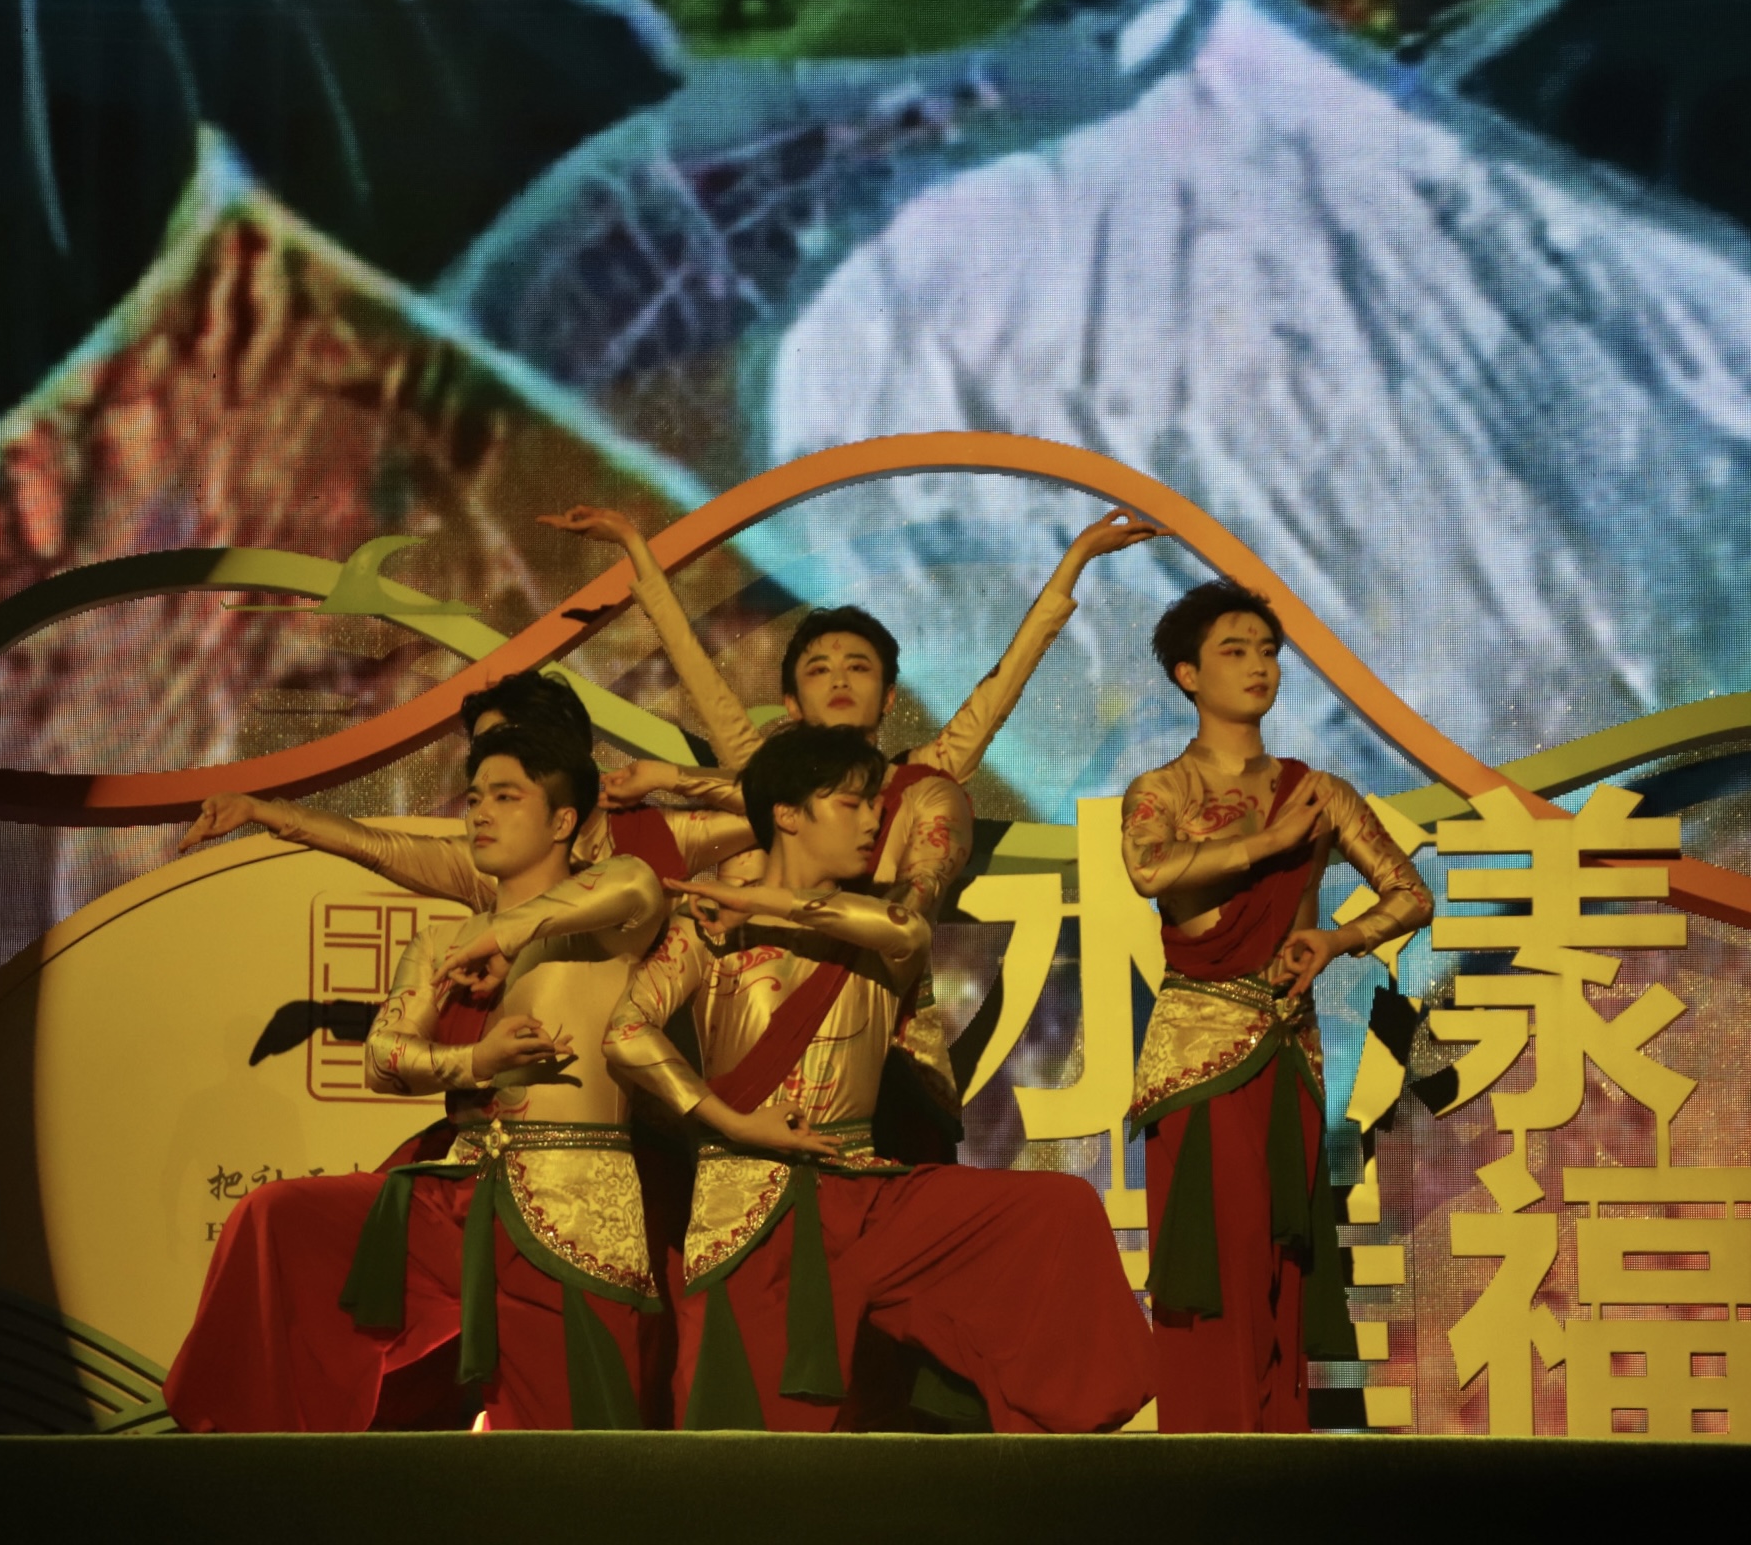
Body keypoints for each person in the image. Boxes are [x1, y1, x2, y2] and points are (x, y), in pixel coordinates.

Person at [545, 504, 1164, 1152]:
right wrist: (635, 549)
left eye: (859, 667)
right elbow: (699, 672)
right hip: (753, 1035)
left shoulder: (918, 785)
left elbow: (1003, 685)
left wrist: (1073, 563)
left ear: (890, 696)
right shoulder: (764, 782)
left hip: (883, 1056)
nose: (839, 677)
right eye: (818, 668)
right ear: (791, 703)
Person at [599, 723, 1154, 1433]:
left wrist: (765, 902)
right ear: (788, 814)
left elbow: (909, 930)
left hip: (867, 1195)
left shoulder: (876, 924)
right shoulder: (703, 926)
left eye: (874, 804)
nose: (872, 821)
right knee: (754, 1434)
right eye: (852, 803)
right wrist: (732, 1122)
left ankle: (1063, 1459)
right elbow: (626, 1033)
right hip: (750, 1202)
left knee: (1057, 1210)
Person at [162, 725, 669, 1431]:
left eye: (505, 797)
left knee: (565, 1432)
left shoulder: (611, 922)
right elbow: (382, 1058)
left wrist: (503, 935)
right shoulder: (443, 940)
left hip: (573, 1203)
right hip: (455, 1197)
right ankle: (260, 1461)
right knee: (274, 1216)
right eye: (474, 797)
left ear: (563, 821)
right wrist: (476, 1061)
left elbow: (637, 880)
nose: (480, 812)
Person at [1118, 581, 1433, 1433]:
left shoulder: (1319, 791)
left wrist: (1337, 939)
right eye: (1234, 650)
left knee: (1280, 1261)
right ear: (1187, 674)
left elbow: (1411, 894)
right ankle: (1210, 1458)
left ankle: (1275, 1459)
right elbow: (1148, 871)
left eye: (1267, 650)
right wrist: (1269, 842)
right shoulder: (1161, 789)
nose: (1258, 665)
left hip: (1289, 1051)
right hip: (1198, 1058)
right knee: (1214, 1263)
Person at [175, 669, 755, 885]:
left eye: (508, 746)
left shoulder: (656, 837)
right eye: (481, 754)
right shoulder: (490, 863)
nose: (491, 766)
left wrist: (673, 776)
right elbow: (374, 846)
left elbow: (779, 806)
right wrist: (261, 810)